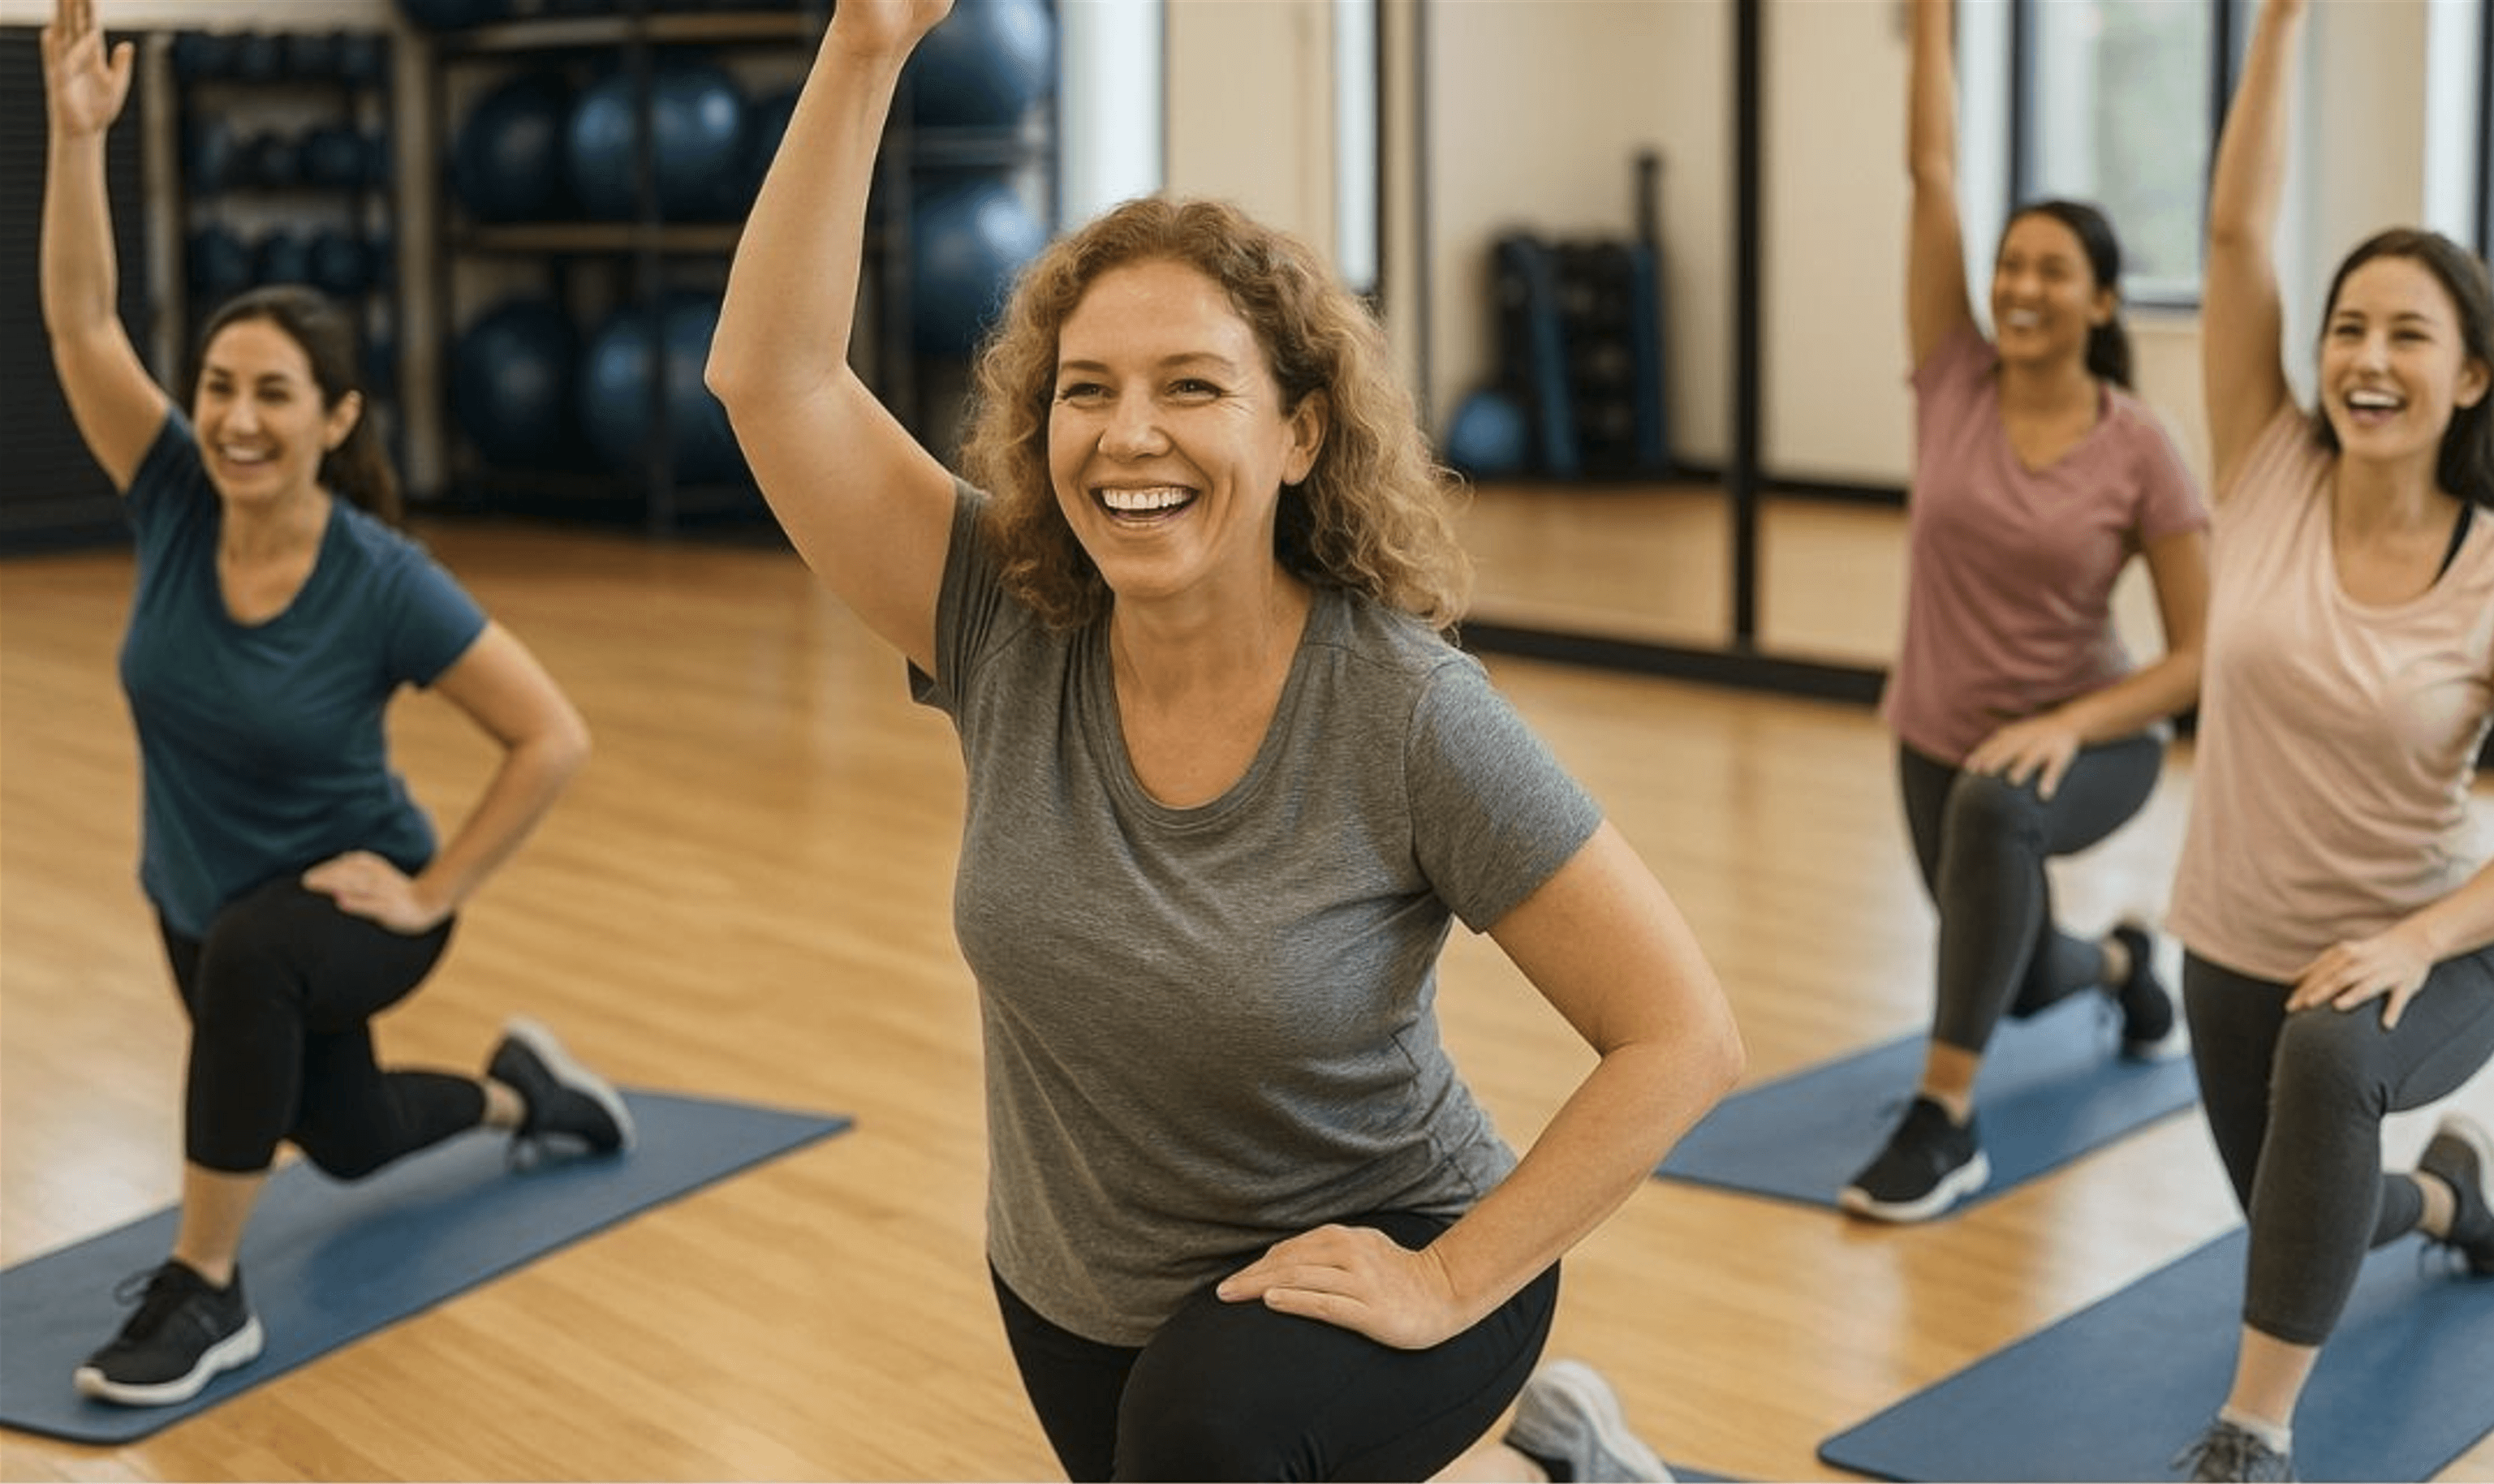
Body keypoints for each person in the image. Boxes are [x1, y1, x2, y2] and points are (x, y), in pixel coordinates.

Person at [706, 2, 1746, 1478]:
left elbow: (1683, 1034)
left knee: (1212, 1443)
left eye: (1191, 387)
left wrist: (1450, 1281)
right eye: (1088, 391)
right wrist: (868, 44)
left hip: (1382, 1251)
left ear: (1300, 435)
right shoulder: (1004, 622)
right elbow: (774, 379)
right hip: (1075, 1299)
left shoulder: (1404, 713)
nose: (1130, 435)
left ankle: (1517, 1412)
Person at [40, 0, 632, 1409]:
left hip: (351, 908)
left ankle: (204, 1293)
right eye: (220, 389)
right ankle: (524, 1095)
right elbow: (77, 317)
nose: (237, 419)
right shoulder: (177, 496)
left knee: (258, 961)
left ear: (337, 419)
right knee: (352, 1136)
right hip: (195, 900)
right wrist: (76, 143)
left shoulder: (383, 581)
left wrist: (437, 893)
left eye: (275, 396)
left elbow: (552, 733)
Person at [2165, 0, 2494, 1476]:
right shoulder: (2272, 468)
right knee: (2308, 1215)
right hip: (2232, 935)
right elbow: (2236, 242)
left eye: (2408, 334)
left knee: (2327, 1070)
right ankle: (2450, 1203)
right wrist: (2282, 18)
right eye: (2347, 327)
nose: (2369, 357)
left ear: (2471, 377)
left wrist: (2424, 941)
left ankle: (2254, 1432)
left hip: (2427, 940)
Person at [1841, 0, 2212, 1223]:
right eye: (2011, 264)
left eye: (2053, 270)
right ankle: (2122, 964)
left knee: (2002, 820)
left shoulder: (2140, 449)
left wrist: (2075, 726)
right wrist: (1937, 25)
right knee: (2002, 968)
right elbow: (1929, 170)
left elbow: (2204, 657)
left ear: (2103, 301)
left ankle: (1943, 1119)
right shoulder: (1954, 375)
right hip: (1934, 732)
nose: (2019, 285)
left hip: (2086, 744)